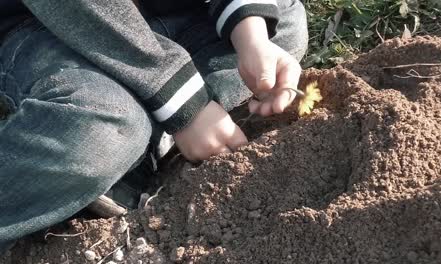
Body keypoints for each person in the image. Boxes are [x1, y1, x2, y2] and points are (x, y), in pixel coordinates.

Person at [0, 0, 308, 253]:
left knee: (282, 25)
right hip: (54, 23)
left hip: (178, 13)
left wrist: (249, 31)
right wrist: (186, 105)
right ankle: (135, 139)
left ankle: (136, 155)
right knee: (103, 132)